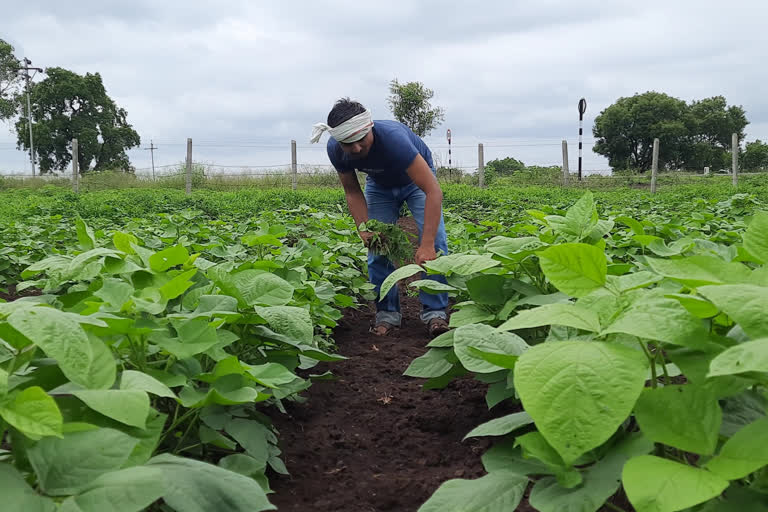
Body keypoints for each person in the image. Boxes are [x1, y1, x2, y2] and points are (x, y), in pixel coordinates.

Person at [310, 98, 450, 337]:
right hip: (379, 186)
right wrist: (364, 229)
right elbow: (352, 191)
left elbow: (432, 191)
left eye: (360, 140)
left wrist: (425, 244)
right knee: (377, 247)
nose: (355, 149)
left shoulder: (394, 139)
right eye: (347, 143)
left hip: (416, 183)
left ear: (370, 127)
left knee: (435, 244)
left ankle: (435, 313)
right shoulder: (335, 149)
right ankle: (387, 313)